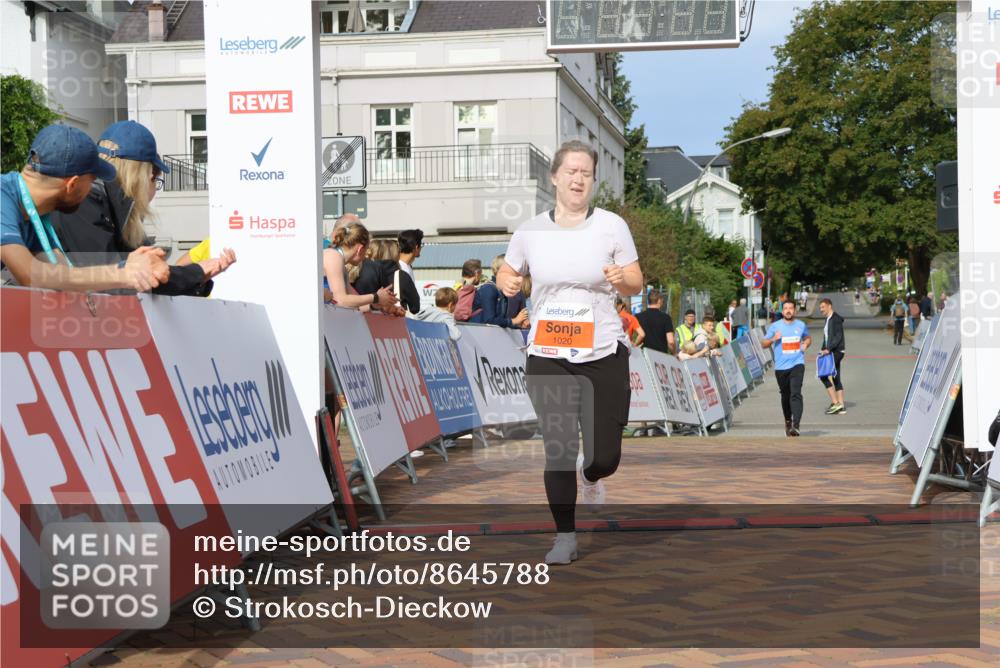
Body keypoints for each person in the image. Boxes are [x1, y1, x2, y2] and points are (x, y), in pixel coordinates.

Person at [496, 140, 643, 565]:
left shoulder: (611, 226)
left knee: (604, 456)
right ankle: (565, 536)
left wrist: (622, 278)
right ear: (555, 177)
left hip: (602, 349)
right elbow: (509, 268)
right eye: (572, 171)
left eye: (586, 173)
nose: (579, 179)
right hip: (549, 351)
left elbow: (635, 279)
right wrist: (507, 280)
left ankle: (591, 474)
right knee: (558, 445)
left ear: (593, 181)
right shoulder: (530, 230)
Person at [49, 120, 235, 296]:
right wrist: (196, 273)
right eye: (156, 180)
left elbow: (147, 277)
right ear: (143, 175)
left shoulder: (111, 209)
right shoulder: (84, 202)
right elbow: (118, 280)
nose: (154, 191)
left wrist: (197, 277)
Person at [1, 123, 169, 292]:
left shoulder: (35, 217)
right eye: (92, 181)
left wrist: (128, 268)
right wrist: (123, 273)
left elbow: (63, 276)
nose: (93, 188)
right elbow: (29, 274)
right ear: (72, 184)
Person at [761, 299, 812, 437]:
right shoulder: (775, 326)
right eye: (786, 308)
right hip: (781, 367)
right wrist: (773, 339)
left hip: (797, 363)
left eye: (791, 308)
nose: (788, 311)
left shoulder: (801, 325)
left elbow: (808, 338)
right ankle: (788, 420)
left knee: (795, 392)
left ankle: (796, 424)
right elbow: (763, 344)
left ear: (795, 310)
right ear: (782, 311)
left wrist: (806, 344)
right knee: (785, 396)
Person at [322, 222, 395, 310]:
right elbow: (340, 301)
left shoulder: (339, 261)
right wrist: (376, 297)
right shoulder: (333, 257)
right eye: (366, 250)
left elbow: (355, 303)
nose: (366, 256)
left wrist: (376, 304)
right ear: (360, 249)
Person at [353, 237, 420, 314]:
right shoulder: (401, 276)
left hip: (361, 319)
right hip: (392, 320)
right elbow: (415, 307)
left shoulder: (358, 272)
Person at [473, 254, 528, 329]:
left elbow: (501, 321)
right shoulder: (488, 289)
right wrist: (513, 321)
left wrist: (519, 324)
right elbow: (489, 320)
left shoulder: (501, 290)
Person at [818, 297, 846, 414]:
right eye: (820, 308)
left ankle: (836, 403)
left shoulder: (836, 319)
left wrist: (828, 349)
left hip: (837, 351)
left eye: (823, 307)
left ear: (829, 306)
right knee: (836, 377)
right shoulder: (828, 319)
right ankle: (841, 406)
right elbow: (826, 337)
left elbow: (838, 336)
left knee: (823, 375)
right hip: (831, 351)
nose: (821, 309)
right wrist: (823, 349)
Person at [636, 289, 675, 354]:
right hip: (661, 356)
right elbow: (670, 342)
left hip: (644, 354)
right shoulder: (666, 318)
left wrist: (635, 345)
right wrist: (674, 353)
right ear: (659, 300)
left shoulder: (639, 316)